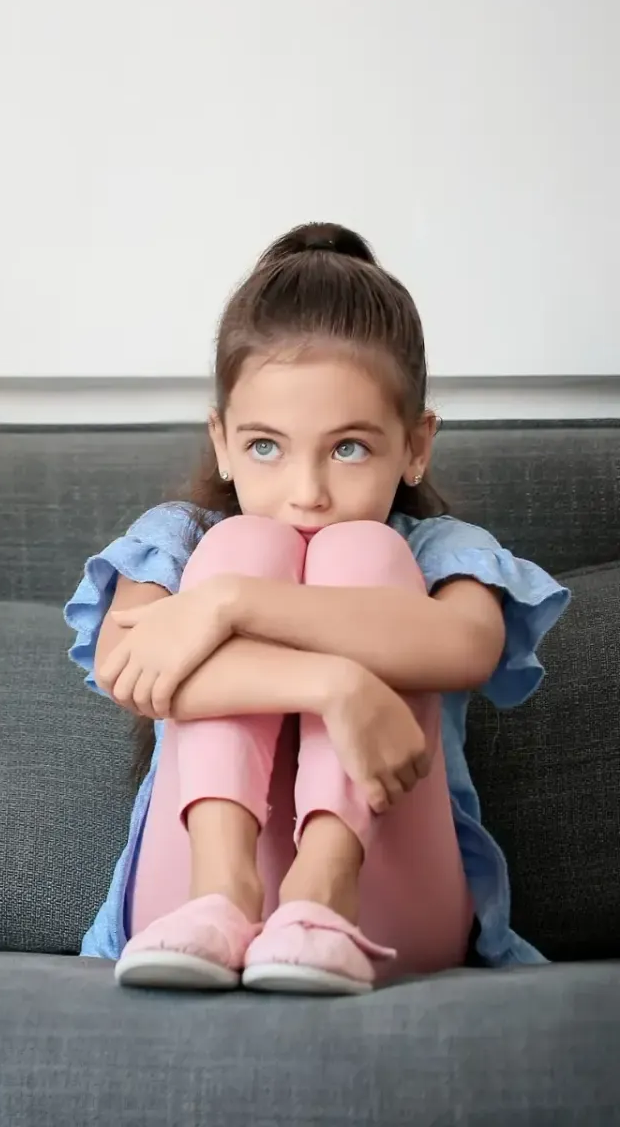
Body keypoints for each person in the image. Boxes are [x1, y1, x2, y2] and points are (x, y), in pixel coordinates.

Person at [62, 222, 570, 996]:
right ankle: (223, 890)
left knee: (362, 553)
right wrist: (338, 686)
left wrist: (228, 606)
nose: (308, 493)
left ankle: (321, 890)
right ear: (223, 441)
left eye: (349, 448)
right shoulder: (178, 544)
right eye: (267, 446)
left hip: (386, 909)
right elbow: (132, 669)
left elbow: (464, 648)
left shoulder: (439, 550)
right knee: (240, 540)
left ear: (415, 446)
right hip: (179, 904)